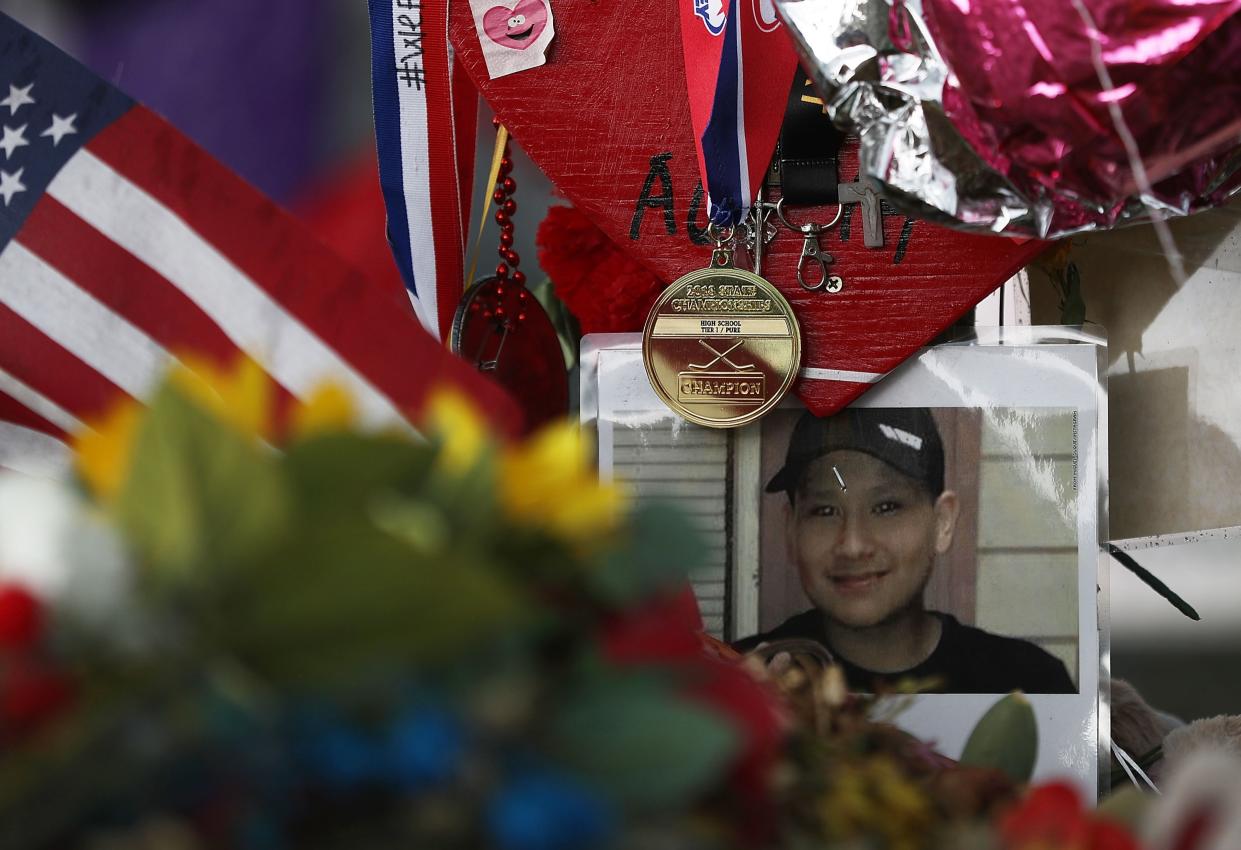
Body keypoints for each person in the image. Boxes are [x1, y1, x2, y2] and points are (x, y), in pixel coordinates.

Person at [734, 407, 1076, 694]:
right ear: (791, 531)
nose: (853, 545)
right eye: (825, 511)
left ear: (942, 523)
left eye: (886, 507)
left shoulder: (1027, 684)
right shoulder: (739, 678)